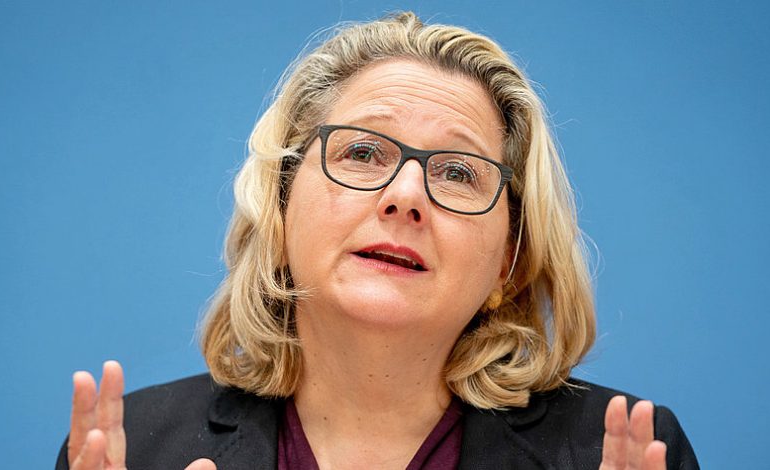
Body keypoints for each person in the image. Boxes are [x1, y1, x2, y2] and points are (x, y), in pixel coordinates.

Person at [57, 12, 698, 470]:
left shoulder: (626, 452)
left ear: (509, 260)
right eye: (362, 153)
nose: (406, 195)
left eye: (458, 172)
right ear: (280, 209)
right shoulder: (132, 448)